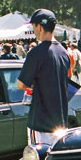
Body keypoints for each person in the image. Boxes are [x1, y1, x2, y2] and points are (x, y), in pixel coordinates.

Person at [17, 8, 70, 145]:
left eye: (33, 26)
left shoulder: (36, 53)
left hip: (41, 121)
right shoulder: (63, 52)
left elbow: (21, 84)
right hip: (60, 121)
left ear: (39, 27)